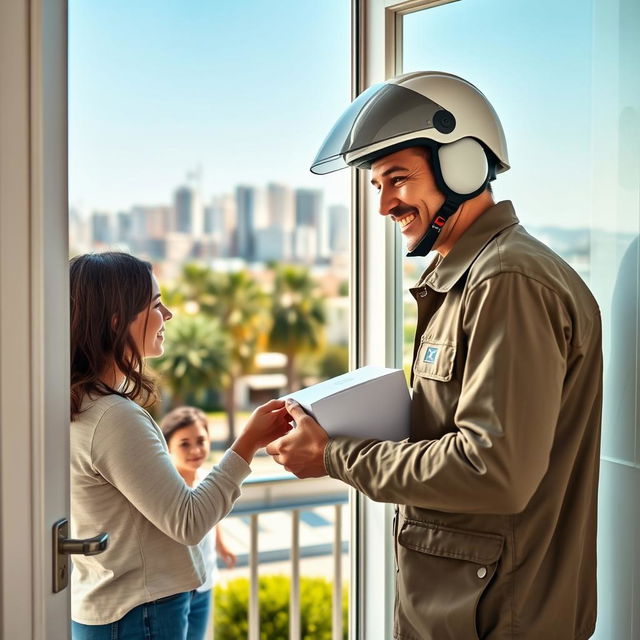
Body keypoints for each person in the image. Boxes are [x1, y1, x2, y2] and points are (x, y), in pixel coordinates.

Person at [267, 71, 603, 640]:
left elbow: (492, 470)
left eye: (398, 180)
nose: (385, 205)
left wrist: (335, 455)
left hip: (499, 619)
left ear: (465, 166)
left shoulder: (508, 281)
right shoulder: (471, 279)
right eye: (378, 186)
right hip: (465, 610)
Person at [70, 252, 290, 640]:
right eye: (156, 305)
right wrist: (248, 443)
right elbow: (187, 522)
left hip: (120, 609)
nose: (168, 314)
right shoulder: (113, 418)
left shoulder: (83, 404)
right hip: (139, 614)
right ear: (117, 321)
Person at [161, 406, 237, 640]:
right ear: (167, 446)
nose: (195, 449)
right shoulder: (165, 487)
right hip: (174, 588)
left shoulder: (207, 478)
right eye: (184, 443)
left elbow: (209, 516)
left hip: (204, 582)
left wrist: (221, 546)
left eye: (201, 440)